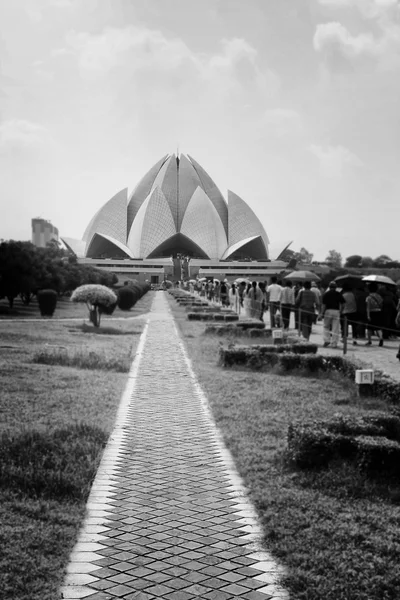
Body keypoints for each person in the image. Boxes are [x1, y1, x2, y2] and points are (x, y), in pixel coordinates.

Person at [320, 281, 345, 348]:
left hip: (328, 311)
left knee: (326, 326)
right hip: (336, 311)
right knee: (335, 328)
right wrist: (341, 311)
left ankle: (327, 340)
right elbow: (343, 304)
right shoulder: (338, 294)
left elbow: (323, 305)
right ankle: (334, 343)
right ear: (335, 287)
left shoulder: (326, 294)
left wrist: (321, 313)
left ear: (329, 287)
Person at [365, 282, 383, 346]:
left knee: (369, 328)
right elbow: (381, 305)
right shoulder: (379, 296)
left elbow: (368, 307)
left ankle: (369, 341)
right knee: (378, 327)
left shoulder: (368, 297)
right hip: (379, 312)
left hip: (372, 313)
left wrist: (368, 315)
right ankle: (381, 338)